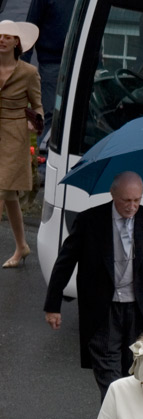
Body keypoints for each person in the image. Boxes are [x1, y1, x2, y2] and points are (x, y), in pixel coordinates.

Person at [43, 171, 143, 400]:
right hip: (102, 310)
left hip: (137, 310)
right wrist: (53, 305)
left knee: (135, 374)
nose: (132, 206)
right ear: (112, 194)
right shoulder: (90, 220)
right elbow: (65, 262)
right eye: (126, 200)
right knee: (111, 384)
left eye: (137, 200)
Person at [0, 19, 42, 269]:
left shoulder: (28, 72)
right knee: (9, 194)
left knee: (2, 189)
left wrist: (34, 123)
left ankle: (21, 247)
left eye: (7, 36)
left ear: (17, 42)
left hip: (15, 135)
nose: (2, 39)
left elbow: (37, 106)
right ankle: (22, 246)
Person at [24, 0, 76, 145]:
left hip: (78, 63)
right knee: (52, 115)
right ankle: (45, 158)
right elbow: (31, 27)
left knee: (76, 117)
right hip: (51, 63)